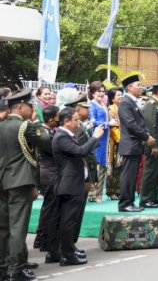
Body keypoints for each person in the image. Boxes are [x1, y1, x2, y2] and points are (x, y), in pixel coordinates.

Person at [0, 88, 48, 281]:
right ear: (20, 107)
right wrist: (37, 122)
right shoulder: (25, 126)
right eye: (30, 106)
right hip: (20, 181)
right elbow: (46, 140)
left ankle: (3, 267)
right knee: (18, 227)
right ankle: (15, 269)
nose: (32, 108)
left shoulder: (1, 125)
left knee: (3, 227)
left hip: (2, 180)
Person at [48, 107, 103, 266]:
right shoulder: (61, 137)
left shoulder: (67, 135)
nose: (78, 123)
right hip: (69, 185)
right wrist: (94, 137)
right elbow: (80, 151)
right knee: (67, 221)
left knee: (69, 221)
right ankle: (67, 254)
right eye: (76, 120)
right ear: (66, 121)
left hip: (73, 183)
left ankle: (68, 250)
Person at [118, 74, 154, 212]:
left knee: (132, 176)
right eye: (138, 85)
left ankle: (130, 202)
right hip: (130, 144)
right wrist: (146, 137)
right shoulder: (125, 102)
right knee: (128, 176)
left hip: (135, 144)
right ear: (129, 87)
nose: (141, 87)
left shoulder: (132, 102)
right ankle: (125, 204)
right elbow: (131, 124)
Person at [32, 106, 59, 253]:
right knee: (49, 208)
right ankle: (43, 239)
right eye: (57, 116)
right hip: (49, 173)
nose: (59, 119)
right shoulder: (44, 133)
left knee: (50, 207)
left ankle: (42, 238)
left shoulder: (49, 131)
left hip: (50, 172)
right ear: (50, 119)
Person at [88, 81, 111, 203]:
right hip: (97, 138)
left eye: (103, 91)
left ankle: (99, 193)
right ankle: (92, 194)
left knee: (102, 165)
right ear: (92, 93)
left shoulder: (102, 104)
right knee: (96, 164)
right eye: (99, 91)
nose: (101, 94)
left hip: (105, 139)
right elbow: (92, 122)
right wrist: (108, 124)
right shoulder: (91, 105)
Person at [106, 88, 123, 200]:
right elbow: (114, 128)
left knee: (120, 167)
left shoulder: (121, 108)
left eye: (122, 94)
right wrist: (121, 140)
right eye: (118, 95)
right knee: (113, 167)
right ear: (112, 98)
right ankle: (111, 191)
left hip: (122, 141)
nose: (121, 97)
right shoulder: (111, 109)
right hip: (115, 143)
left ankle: (119, 190)